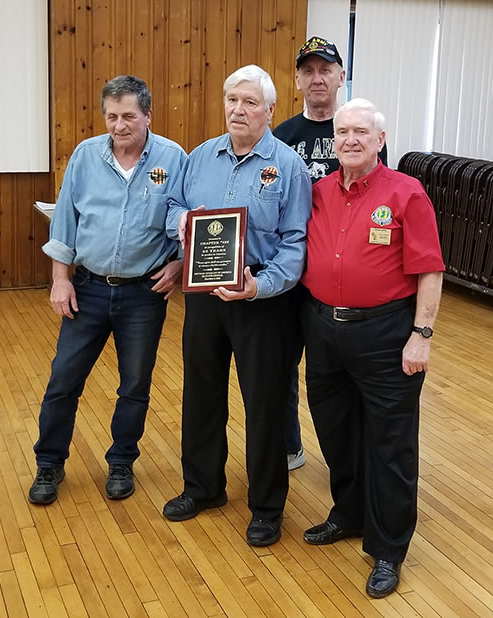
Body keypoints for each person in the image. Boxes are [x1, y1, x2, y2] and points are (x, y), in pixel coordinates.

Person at [300, 98, 444, 598]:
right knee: (337, 433)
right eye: (343, 132)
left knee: (390, 445)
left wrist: (421, 336)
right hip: (322, 330)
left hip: (386, 334)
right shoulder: (317, 191)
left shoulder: (407, 194)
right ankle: (349, 514)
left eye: (362, 131)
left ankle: (388, 548)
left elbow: (429, 269)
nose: (351, 140)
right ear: (333, 140)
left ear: (380, 140)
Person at [162, 65, 312, 546]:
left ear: (270, 110)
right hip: (205, 298)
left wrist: (260, 285)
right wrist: (183, 220)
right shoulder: (201, 157)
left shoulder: (288, 166)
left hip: (263, 303)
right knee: (201, 394)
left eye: (250, 102)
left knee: (265, 404)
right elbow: (172, 209)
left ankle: (267, 507)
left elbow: (295, 242)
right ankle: (203, 487)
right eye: (232, 99)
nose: (238, 109)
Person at [28, 75, 187, 505]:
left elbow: (185, 221)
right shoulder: (84, 156)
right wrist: (60, 279)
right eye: (112, 116)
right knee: (63, 380)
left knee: (134, 384)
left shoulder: (174, 159)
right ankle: (49, 463)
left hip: (143, 295)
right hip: (88, 288)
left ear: (148, 116)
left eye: (129, 116)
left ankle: (121, 461)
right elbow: (65, 222)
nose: (119, 125)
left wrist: (178, 265)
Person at [274, 36, 388, 471]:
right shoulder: (282, 136)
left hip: (342, 286)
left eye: (326, 70)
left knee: (343, 376)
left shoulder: (361, 132)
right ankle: (288, 445)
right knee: (284, 366)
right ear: (299, 79)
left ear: (342, 76)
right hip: (289, 276)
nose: (317, 78)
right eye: (309, 70)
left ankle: (353, 459)